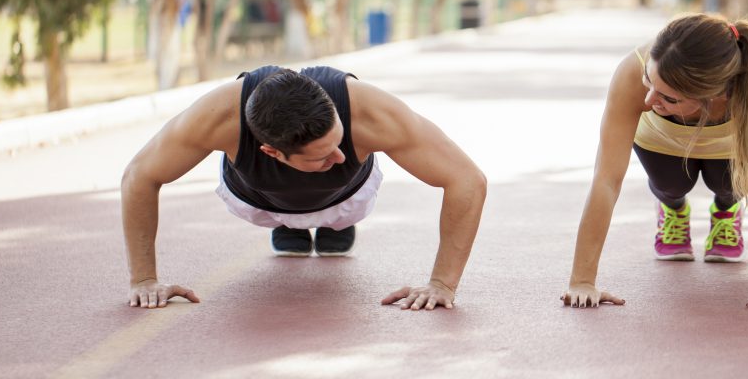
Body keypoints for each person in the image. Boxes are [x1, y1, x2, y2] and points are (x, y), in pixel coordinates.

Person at [122, 65, 486, 311]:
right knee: (284, 208)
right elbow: (139, 175)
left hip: (347, 197)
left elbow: (467, 180)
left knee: (342, 200)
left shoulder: (372, 113)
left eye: (337, 143)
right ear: (271, 152)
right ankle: (288, 221)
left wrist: (442, 283)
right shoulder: (217, 118)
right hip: (257, 197)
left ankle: (334, 222)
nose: (338, 157)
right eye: (322, 157)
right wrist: (144, 279)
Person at [562, 13, 748, 314]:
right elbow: (605, 181)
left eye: (668, 97)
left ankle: (727, 208)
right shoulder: (632, 70)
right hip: (661, 141)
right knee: (672, 184)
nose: (648, 100)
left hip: (730, 145)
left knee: (728, 184)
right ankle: (672, 208)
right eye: (649, 82)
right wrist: (582, 281)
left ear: (716, 96)